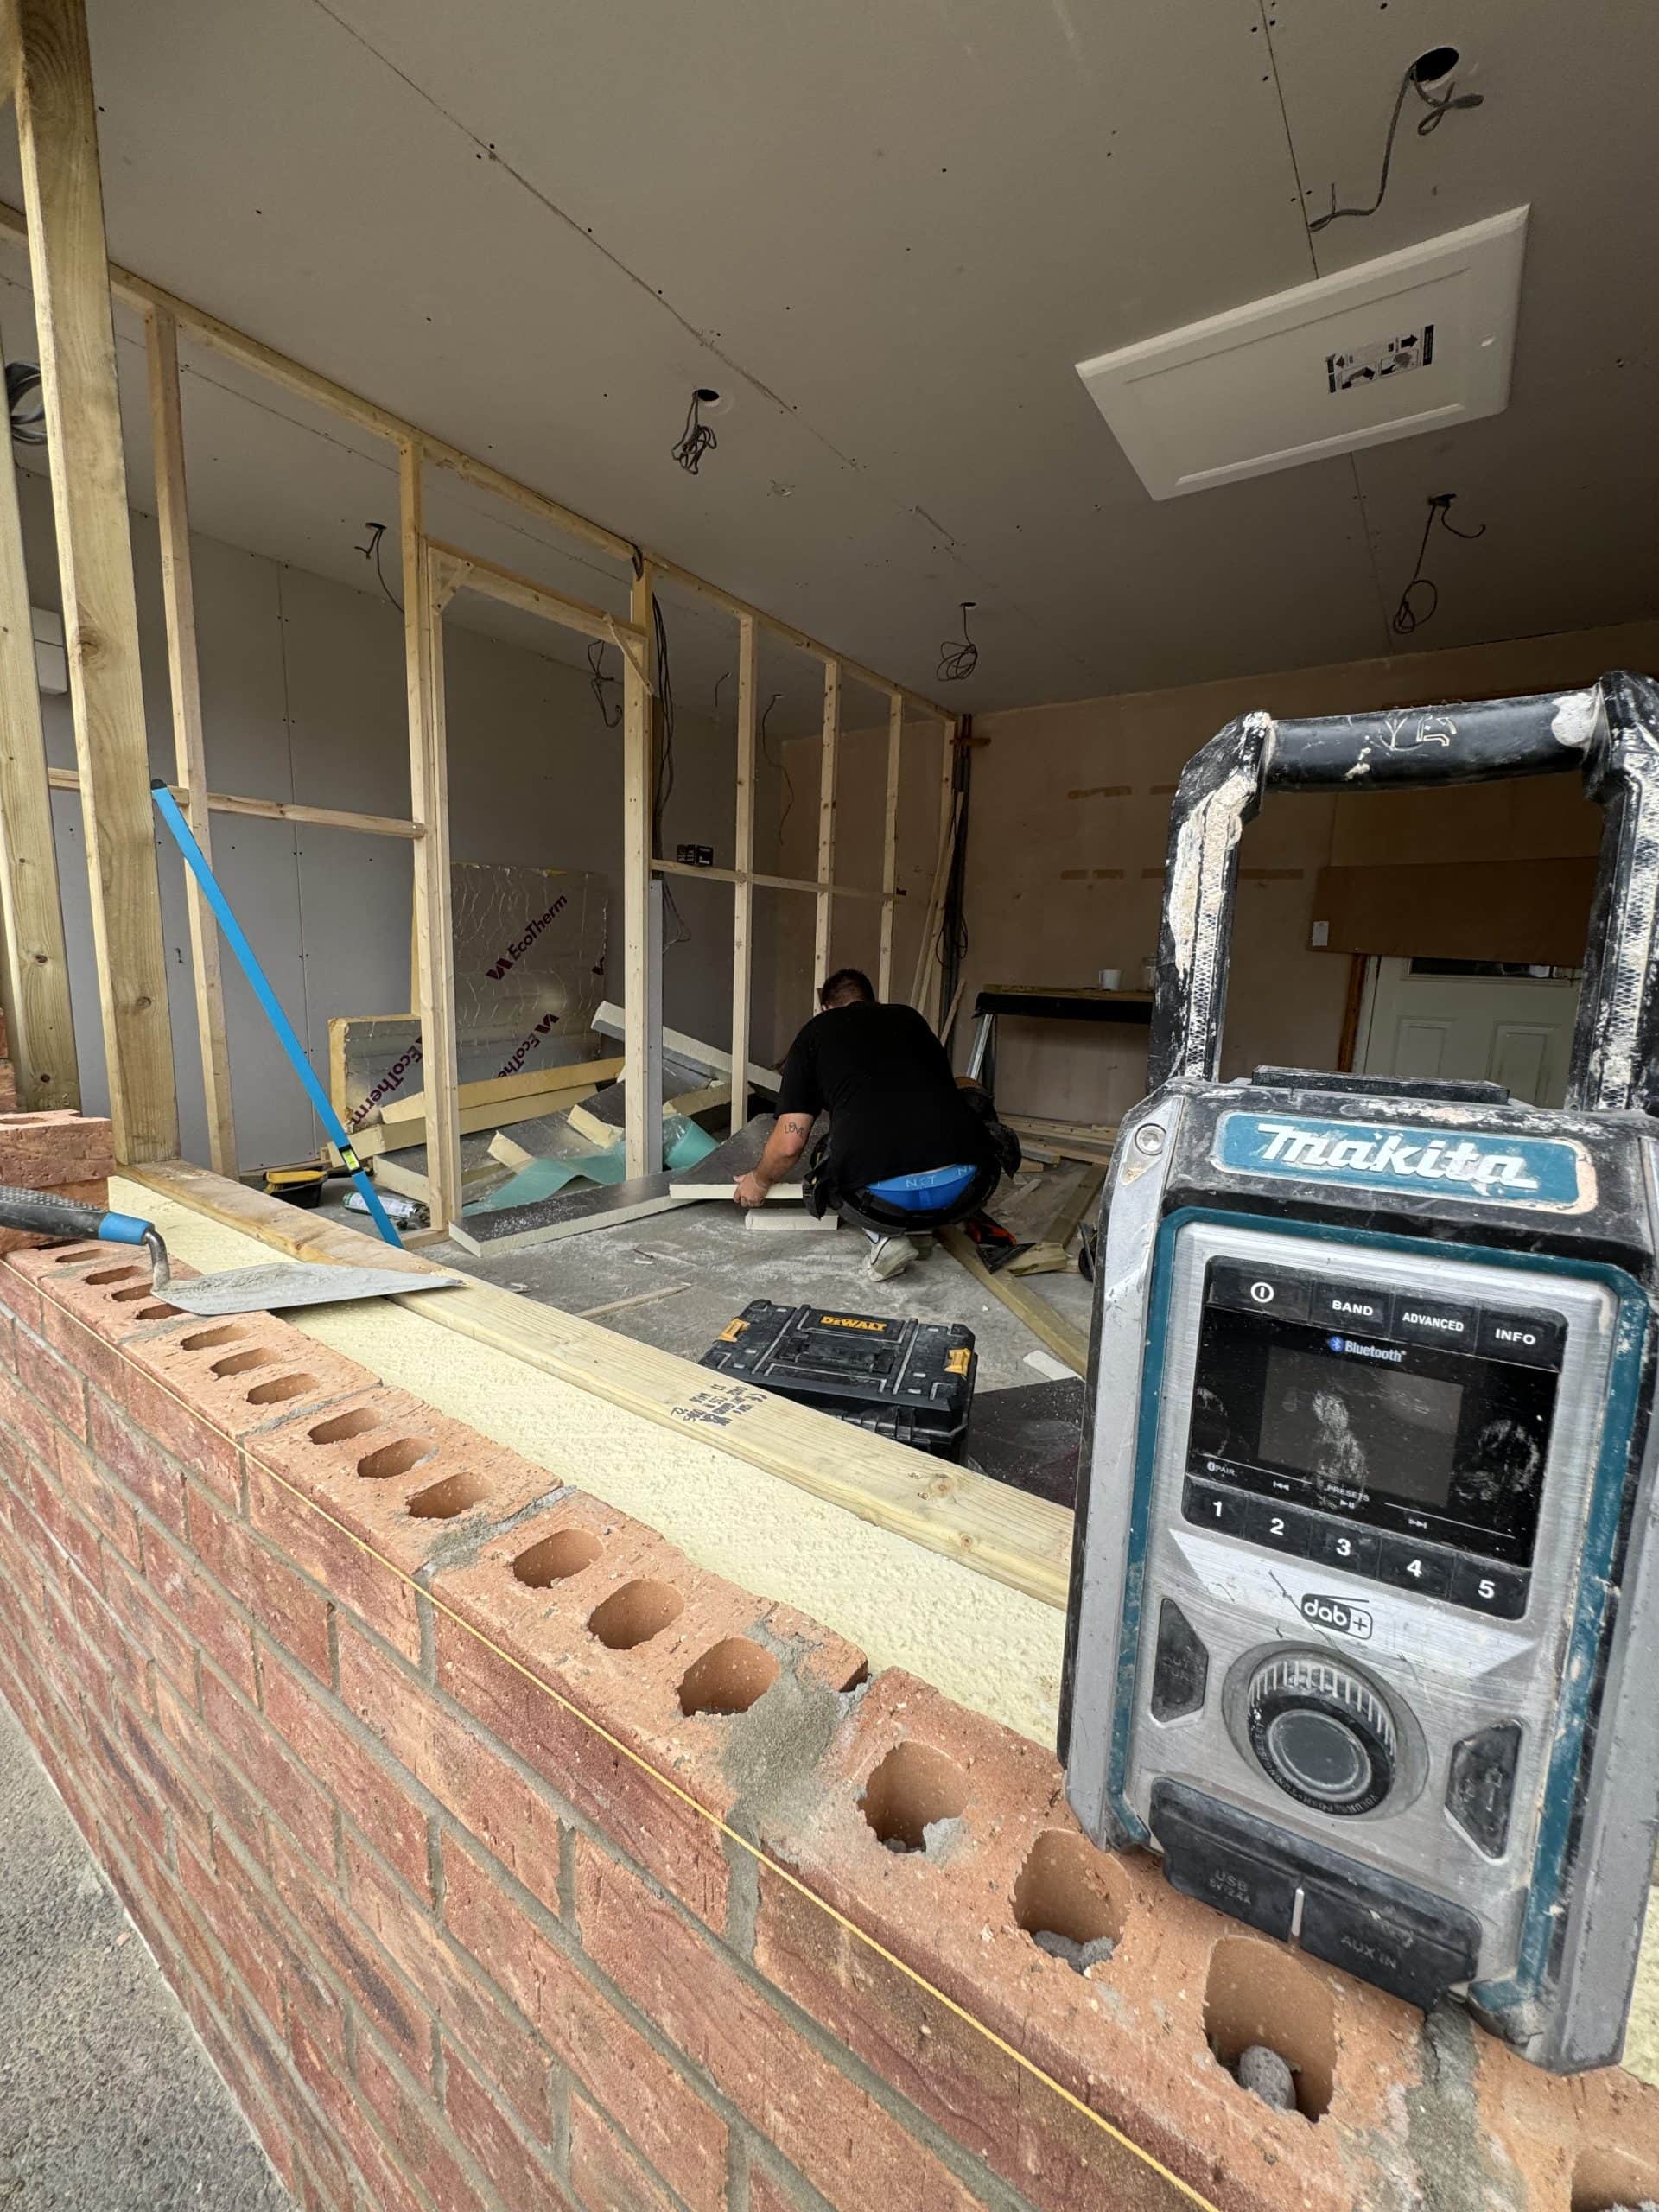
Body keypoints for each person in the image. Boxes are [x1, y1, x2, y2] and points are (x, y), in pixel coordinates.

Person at [733, 968, 1017, 1280]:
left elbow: (789, 1145)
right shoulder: (910, 1019)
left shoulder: (815, 1033)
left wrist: (758, 1181)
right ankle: (922, 1225)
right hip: (965, 1188)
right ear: (872, 1001)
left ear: (826, 1008)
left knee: (831, 1150)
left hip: (885, 1201)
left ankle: (884, 1240)